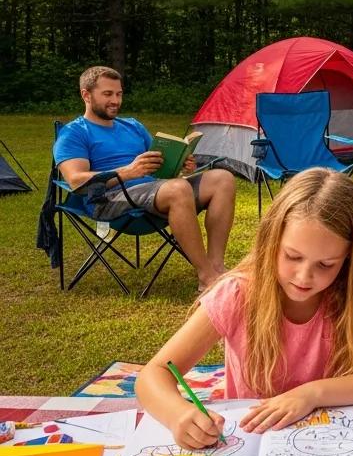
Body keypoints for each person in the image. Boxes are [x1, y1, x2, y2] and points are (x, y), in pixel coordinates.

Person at [136, 168, 353, 449]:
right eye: (293, 256)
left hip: (327, 440)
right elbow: (154, 374)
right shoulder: (237, 293)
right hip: (248, 443)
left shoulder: (350, 296)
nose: (304, 277)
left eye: (326, 264)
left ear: (349, 259)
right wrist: (178, 414)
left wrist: (312, 394)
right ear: (271, 241)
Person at [53, 65, 236, 289]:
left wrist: (180, 164)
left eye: (119, 94)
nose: (115, 101)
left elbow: (157, 167)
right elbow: (76, 180)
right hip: (110, 198)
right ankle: (207, 277)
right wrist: (128, 171)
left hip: (153, 191)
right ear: (86, 95)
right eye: (107, 94)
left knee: (223, 179)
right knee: (178, 190)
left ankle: (216, 265)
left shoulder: (132, 125)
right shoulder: (74, 133)